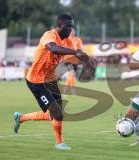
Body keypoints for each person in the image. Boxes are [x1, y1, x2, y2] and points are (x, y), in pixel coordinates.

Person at [13, 14, 89, 150]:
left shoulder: (69, 41)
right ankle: (59, 143)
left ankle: (21, 118)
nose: (70, 29)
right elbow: (54, 48)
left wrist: (84, 61)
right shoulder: (49, 35)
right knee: (57, 114)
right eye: (68, 26)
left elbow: (73, 58)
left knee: (54, 114)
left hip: (50, 80)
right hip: (36, 81)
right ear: (59, 26)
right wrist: (76, 52)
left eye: (72, 26)